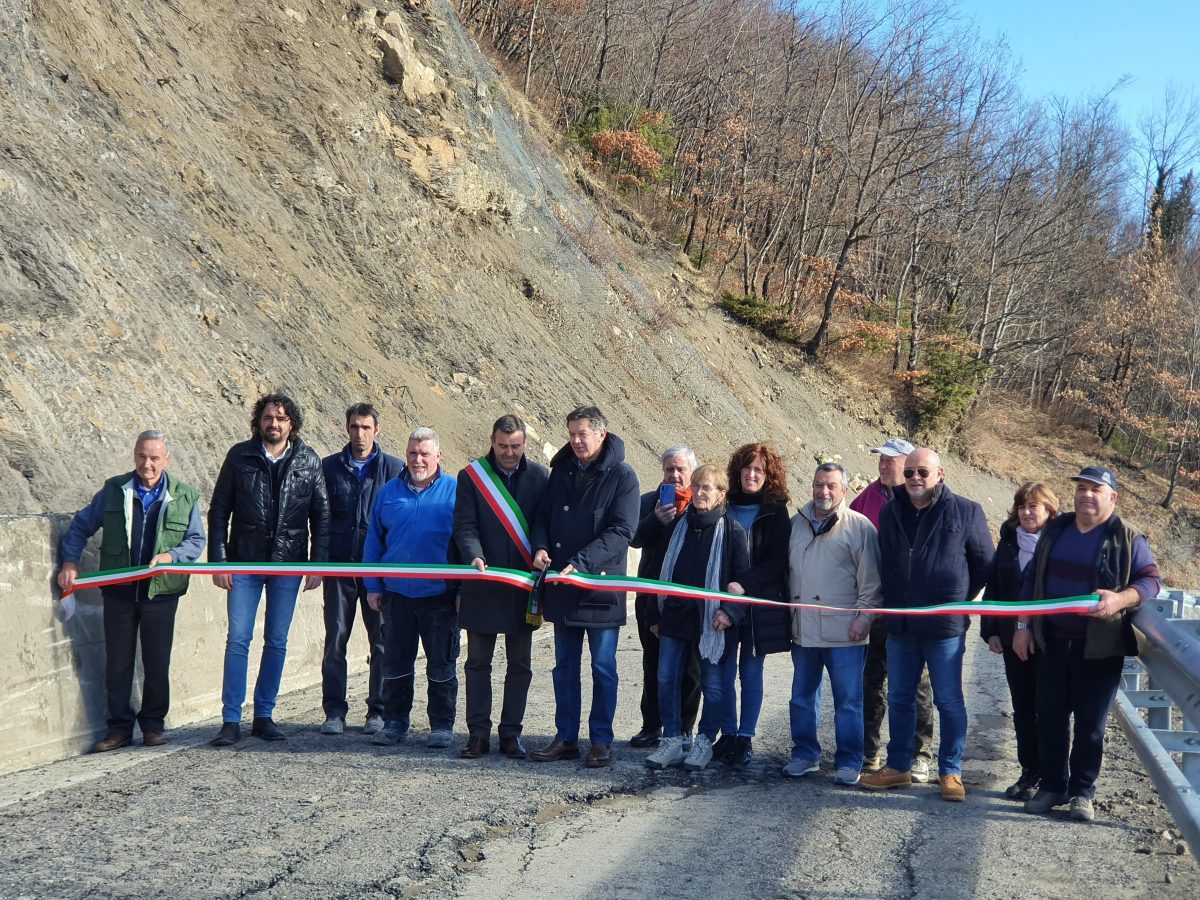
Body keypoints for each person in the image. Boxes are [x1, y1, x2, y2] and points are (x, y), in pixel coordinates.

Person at [1015, 466, 1160, 823]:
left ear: (1112, 497)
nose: (1086, 495)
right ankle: (1053, 786)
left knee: (1091, 725)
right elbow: (1032, 578)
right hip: (1051, 642)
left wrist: (1120, 599)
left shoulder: (1126, 538)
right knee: (1048, 718)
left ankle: (1082, 792)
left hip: (1098, 649)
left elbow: (1151, 581)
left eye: (1095, 489)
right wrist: (1022, 625)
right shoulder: (1057, 529)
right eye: (1081, 488)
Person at [57, 431, 206, 751]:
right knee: (118, 663)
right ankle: (119, 729)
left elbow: (196, 541)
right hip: (119, 591)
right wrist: (70, 563)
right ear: (134, 455)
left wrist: (171, 557)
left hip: (162, 592)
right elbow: (81, 526)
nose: (147, 464)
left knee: (156, 661)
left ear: (167, 460)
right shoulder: (114, 490)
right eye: (141, 456)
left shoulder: (186, 496)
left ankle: (153, 726)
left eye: (154, 458)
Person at [860, 447, 993, 801]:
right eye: (910, 473)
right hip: (900, 624)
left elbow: (983, 564)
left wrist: (956, 594)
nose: (915, 479)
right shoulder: (891, 513)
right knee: (901, 696)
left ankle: (951, 772)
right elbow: (885, 559)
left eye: (923, 472)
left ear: (940, 474)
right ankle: (899, 766)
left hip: (944, 628)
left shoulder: (967, 511)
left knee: (948, 700)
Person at [209, 394, 329, 746]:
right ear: (258, 421)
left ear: (292, 423)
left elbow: (322, 517)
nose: (273, 423)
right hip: (244, 561)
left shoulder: (309, 461)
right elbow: (219, 511)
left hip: (288, 563)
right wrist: (218, 561)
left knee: (276, 641)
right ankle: (230, 719)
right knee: (238, 639)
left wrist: (317, 563)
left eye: (281, 418)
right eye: (267, 417)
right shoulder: (239, 456)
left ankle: (264, 714)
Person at [530, 405, 640, 769]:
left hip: (599, 590)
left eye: (583, 434)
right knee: (564, 667)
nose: (576, 441)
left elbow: (622, 531)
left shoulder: (623, 477)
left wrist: (583, 562)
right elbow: (543, 516)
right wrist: (541, 547)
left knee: (603, 668)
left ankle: (601, 740)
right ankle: (565, 738)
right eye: (572, 433)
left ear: (601, 434)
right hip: (563, 586)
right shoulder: (560, 470)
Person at [640, 466, 750, 771]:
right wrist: (654, 614)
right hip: (673, 618)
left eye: (708, 488)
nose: (700, 492)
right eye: (697, 486)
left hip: (712, 624)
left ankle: (704, 741)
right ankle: (673, 740)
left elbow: (743, 582)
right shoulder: (676, 526)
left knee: (713, 686)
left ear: (721, 495)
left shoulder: (733, 533)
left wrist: (729, 613)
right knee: (666, 681)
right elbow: (658, 575)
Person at [453, 414, 548, 760]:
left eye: (516, 446)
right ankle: (477, 734)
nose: (509, 453)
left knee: (520, 664)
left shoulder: (539, 476)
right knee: (477, 663)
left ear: (525, 444)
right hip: (483, 582)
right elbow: (464, 526)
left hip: (523, 586)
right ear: (492, 441)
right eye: (503, 446)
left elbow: (543, 522)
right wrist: (473, 555)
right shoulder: (472, 477)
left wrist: (541, 548)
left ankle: (511, 734)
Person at [784, 463, 881, 786]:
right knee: (802, 697)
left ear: (844, 490)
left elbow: (872, 581)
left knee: (848, 701)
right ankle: (805, 754)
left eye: (831, 486)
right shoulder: (796, 524)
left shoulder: (860, 527)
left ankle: (850, 760)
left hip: (845, 633)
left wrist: (864, 618)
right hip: (804, 631)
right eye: (818, 485)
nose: (823, 492)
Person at [364, 427, 459, 749]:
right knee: (395, 664)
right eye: (412, 453)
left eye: (424, 454)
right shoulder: (389, 492)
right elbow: (373, 542)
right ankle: (394, 724)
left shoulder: (455, 492)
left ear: (438, 457)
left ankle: (442, 726)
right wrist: (372, 586)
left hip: (440, 597)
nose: (417, 460)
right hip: (396, 596)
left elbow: (465, 544)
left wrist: (462, 591)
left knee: (442, 664)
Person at [850, 436, 935, 780]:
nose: (884, 465)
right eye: (880, 459)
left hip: (912, 610)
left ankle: (920, 754)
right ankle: (868, 751)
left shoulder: (926, 501)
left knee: (916, 683)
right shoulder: (864, 499)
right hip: (874, 607)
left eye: (891, 460)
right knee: (870, 682)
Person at [319, 403, 403, 736]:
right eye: (354, 427)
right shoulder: (329, 468)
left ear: (377, 430)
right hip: (339, 568)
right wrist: (318, 563)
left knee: (381, 641)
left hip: (377, 571)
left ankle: (377, 712)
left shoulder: (394, 469)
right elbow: (321, 520)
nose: (360, 434)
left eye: (366, 427)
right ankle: (334, 713)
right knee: (335, 640)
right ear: (347, 428)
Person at [980, 482, 1060, 801]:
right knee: (1023, 708)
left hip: (1050, 640)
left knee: (1048, 709)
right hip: (1013, 639)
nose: (1027, 512)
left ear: (1050, 510)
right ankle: (1030, 771)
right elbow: (995, 587)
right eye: (1023, 506)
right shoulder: (1010, 539)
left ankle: (1052, 776)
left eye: (1034, 506)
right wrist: (991, 630)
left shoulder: (1062, 542)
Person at [717, 442, 792, 769]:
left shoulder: (776, 510)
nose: (751, 474)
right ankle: (728, 734)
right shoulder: (725, 503)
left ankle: (745, 738)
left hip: (756, 604)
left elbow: (778, 560)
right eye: (747, 468)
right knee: (720, 674)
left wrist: (745, 583)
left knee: (750, 672)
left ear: (768, 475)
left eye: (759, 470)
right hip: (721, 601)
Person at [629, 445, 701, 749]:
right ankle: (651, 725)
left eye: (680, 469)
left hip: (690, 601)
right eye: (669, 469)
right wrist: (655, 519)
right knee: (654, 664)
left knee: (691, 668)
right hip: (652, 598)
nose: (674, 475)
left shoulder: (702, 503)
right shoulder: (649, 501)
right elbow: (632, 537)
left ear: (691, 473)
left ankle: (685, 728)